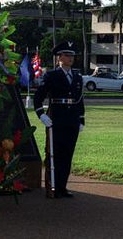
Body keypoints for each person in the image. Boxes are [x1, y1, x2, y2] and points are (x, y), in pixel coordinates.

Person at [33, 41, 85, 198]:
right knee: (54, 155)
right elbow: (39, 97)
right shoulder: (51, 75)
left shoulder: (77, 76)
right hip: (56, 118)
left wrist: (81, 120)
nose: (71, 58)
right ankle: (52, 188)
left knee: (67, 154)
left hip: (72, 120)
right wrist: (41, 114)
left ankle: (62, 187)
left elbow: (79, 100)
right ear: (59, 58)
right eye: (67, 55)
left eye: (72, 55)